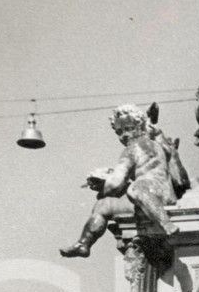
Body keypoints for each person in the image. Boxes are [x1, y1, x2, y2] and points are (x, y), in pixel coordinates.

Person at [61, 103, 189, 256]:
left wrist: (103, 187)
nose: (124, 136)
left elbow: (115, 183)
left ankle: (84, 243)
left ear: (140, 125)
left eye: (128, 129)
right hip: (166, 194)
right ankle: (83, 244)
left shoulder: (132, 148)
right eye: (119, 132)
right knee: (130, 191)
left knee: (103, 205)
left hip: (149, 197)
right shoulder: (159, 146)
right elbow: (179, 179)